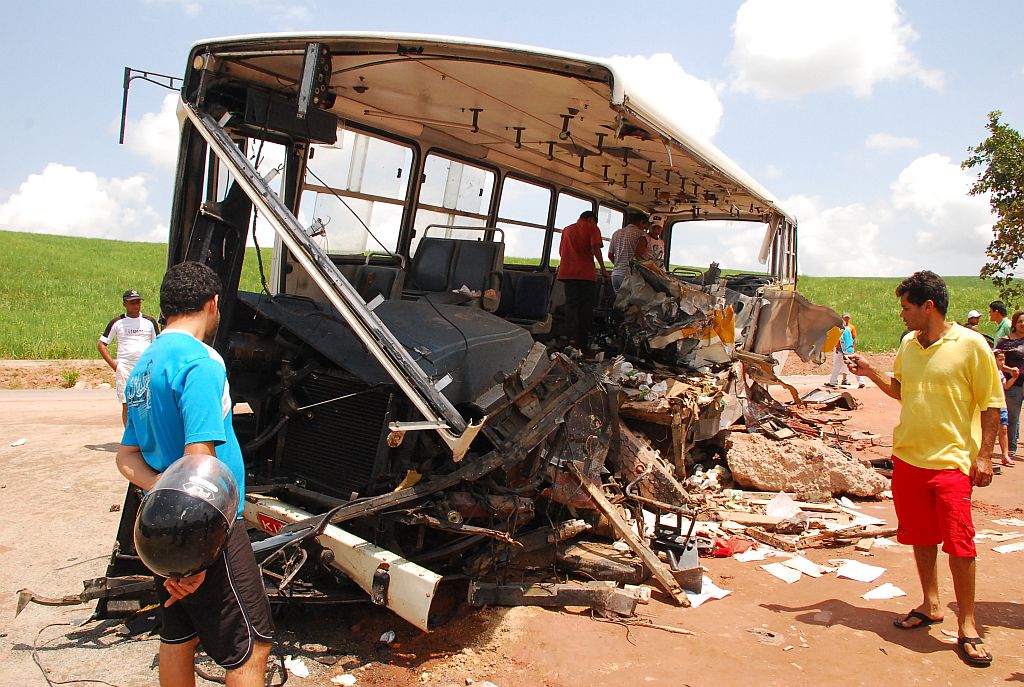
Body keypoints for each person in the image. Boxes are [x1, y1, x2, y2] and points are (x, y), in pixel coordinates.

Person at [115, 262, 272, 685]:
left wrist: (163, 494)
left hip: (162, 524)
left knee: (179, 636)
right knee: (251, 646)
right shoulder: (201, 362)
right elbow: (199, 460)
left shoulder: (145, 364)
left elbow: (127, 457)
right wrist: (192, 559)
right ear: (212, 304)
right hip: (204, 527)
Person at [848, 271, 1002, 667]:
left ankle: (967, 624)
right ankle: (930, 604)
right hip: (909, 459)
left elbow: (990, 403)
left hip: (951, 462)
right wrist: (870, 372)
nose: (901, 314)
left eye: (906, 307)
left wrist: (984, 455)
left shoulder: (972, 346)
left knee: (960, 544)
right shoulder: (908, 345)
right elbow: (902, 390)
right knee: (920, 538)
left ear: (928, 306)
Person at [98, 290, 159, 426]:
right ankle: (129, 438)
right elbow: (102, 344)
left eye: (138, 302)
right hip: (125, 367)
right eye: (132, 302)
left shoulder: (149, 322)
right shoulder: (117, 322)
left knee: (147, 403)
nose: (136, 305)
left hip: (145, 367)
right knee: (127, 404)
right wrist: (115, 366)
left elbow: (158, 344)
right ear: (124, 304)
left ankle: (146, 437)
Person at [557, 210, 609, 351]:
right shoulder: (593, 228)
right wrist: (603, 269)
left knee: (571, 306)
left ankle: (571, 339)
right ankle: (583, 342)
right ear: (591, 219)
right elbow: (595, 248)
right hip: (585, 274)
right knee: (585, 308)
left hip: (567, 273)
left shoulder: (567, 230)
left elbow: (561, 252)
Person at [995, 310, 1024, 461]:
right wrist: (1010, 371)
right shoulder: (1005, 342)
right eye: (1020, 321)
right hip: (1014, 384)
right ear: (1014, 323)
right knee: (1013, 417)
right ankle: (1011, 449)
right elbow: (998, 362)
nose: (1023, 324)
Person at [607, 212, 648, 291]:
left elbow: (610, 255)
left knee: (618, 301)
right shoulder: (642, 235)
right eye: (645, 226)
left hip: (616, 275)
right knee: (630, 302)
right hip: (630, 275)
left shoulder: (616, 233)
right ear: (641, 222)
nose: (644, 229)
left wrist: (619, 265)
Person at [993, 349, 1018, 467]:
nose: (1002, 363)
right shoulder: (989, 372)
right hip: (990, 404)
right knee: (988, 430)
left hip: (1001, 403)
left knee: (1003, 429)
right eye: (1000, 360)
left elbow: (1005, 387)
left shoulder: (1000, 373)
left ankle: (1005, 455)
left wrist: (1014, 378)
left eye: (1003, 360)